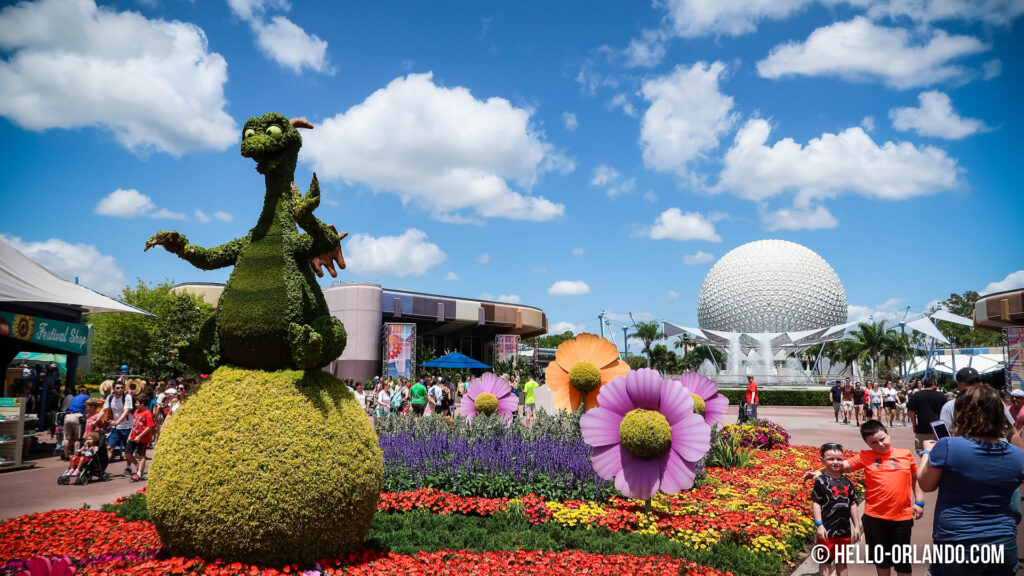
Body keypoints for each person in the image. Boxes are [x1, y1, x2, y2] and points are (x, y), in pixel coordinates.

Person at [918, 385, 1024, 576]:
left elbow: (926, 485)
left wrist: (927, 452)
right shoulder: (1017, 455)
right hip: (1002, 542)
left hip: (958, 542)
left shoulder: (948, 446)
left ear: (962, 413)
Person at [805, 421, 924, 576]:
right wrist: (818, 473)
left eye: (882, 439)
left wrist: (919, 502)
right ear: (868, 444)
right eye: (874, 443)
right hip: (874, 518)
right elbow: (837, 466)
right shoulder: (865, 456)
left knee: (902, 562)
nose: (880, 444)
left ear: (889, 434)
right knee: (882, 561)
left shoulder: (905, 454)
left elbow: (915, 479)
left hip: (902, 518)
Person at [941, 367, 1024, 451]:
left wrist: (1019, 452)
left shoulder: (994, 400)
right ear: (959, 384)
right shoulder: (949, 407)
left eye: (978, 380)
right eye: (970, 382)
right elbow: (945, 435)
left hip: (998, 449)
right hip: (967, 453)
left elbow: (1010, 429)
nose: (976, 384)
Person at [812, 442, 862, 576]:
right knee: (825, 561)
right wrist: (819, 525)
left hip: (844, 531)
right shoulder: (821, 481)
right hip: (826, 531)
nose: (835, 462)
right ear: (823, 460)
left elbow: (852, 504)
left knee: (842, 561)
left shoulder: (848, 482)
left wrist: (857, 526)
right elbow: (816, 503)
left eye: (839, 459)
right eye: (830, 459)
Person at [907, 376, 948, 455]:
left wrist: (914, 425)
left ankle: (927, 465)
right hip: (939, 428)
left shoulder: (917, 395)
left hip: (923, 428)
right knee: (940, 452)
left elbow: (911, 412)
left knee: (923, 451)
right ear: (933, 384)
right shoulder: (941, 395)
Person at [102, 380, 134, 470]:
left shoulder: (127, 397)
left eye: (122, 388)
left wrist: (117, 422)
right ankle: (103, 469)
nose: (120, 389)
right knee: (109, 447)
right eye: (117, 388)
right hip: (116, 427)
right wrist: (96, 420)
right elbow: (103, 410)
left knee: (127, 451)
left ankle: (129, 467)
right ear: (113, 389)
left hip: (127, 426)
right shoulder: (110, 397)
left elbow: (126, 411)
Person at [125, 395, 154, 481]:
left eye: (137, 403)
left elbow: (149, 427)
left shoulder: (148, 413)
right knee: (127, 454)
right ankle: (138, 466)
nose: (135, 404)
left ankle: (139, 473)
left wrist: (140, 436)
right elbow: (134, 424)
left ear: (143, 404)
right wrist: (130, 434)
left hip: (142, 438)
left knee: (141, 455)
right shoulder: (137, 411)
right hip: (133, 436)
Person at [62, 386, 90, 460]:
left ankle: (66, 455)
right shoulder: (87, 397)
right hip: (77, 416)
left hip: (68, 416)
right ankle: (75, 456)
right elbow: (88, 406)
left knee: (67, 438)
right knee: (77, 438)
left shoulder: (74, 397)